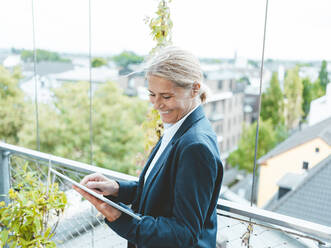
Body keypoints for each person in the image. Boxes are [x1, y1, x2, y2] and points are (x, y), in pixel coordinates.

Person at [73, 46, 223, 248]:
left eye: (166, 96)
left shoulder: (196, 146)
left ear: (195, 89)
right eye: (152, 94)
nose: (157, 104)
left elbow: (184, 234)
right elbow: (163, 192)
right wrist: (117, 189)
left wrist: (119, 217)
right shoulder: (178, 127)